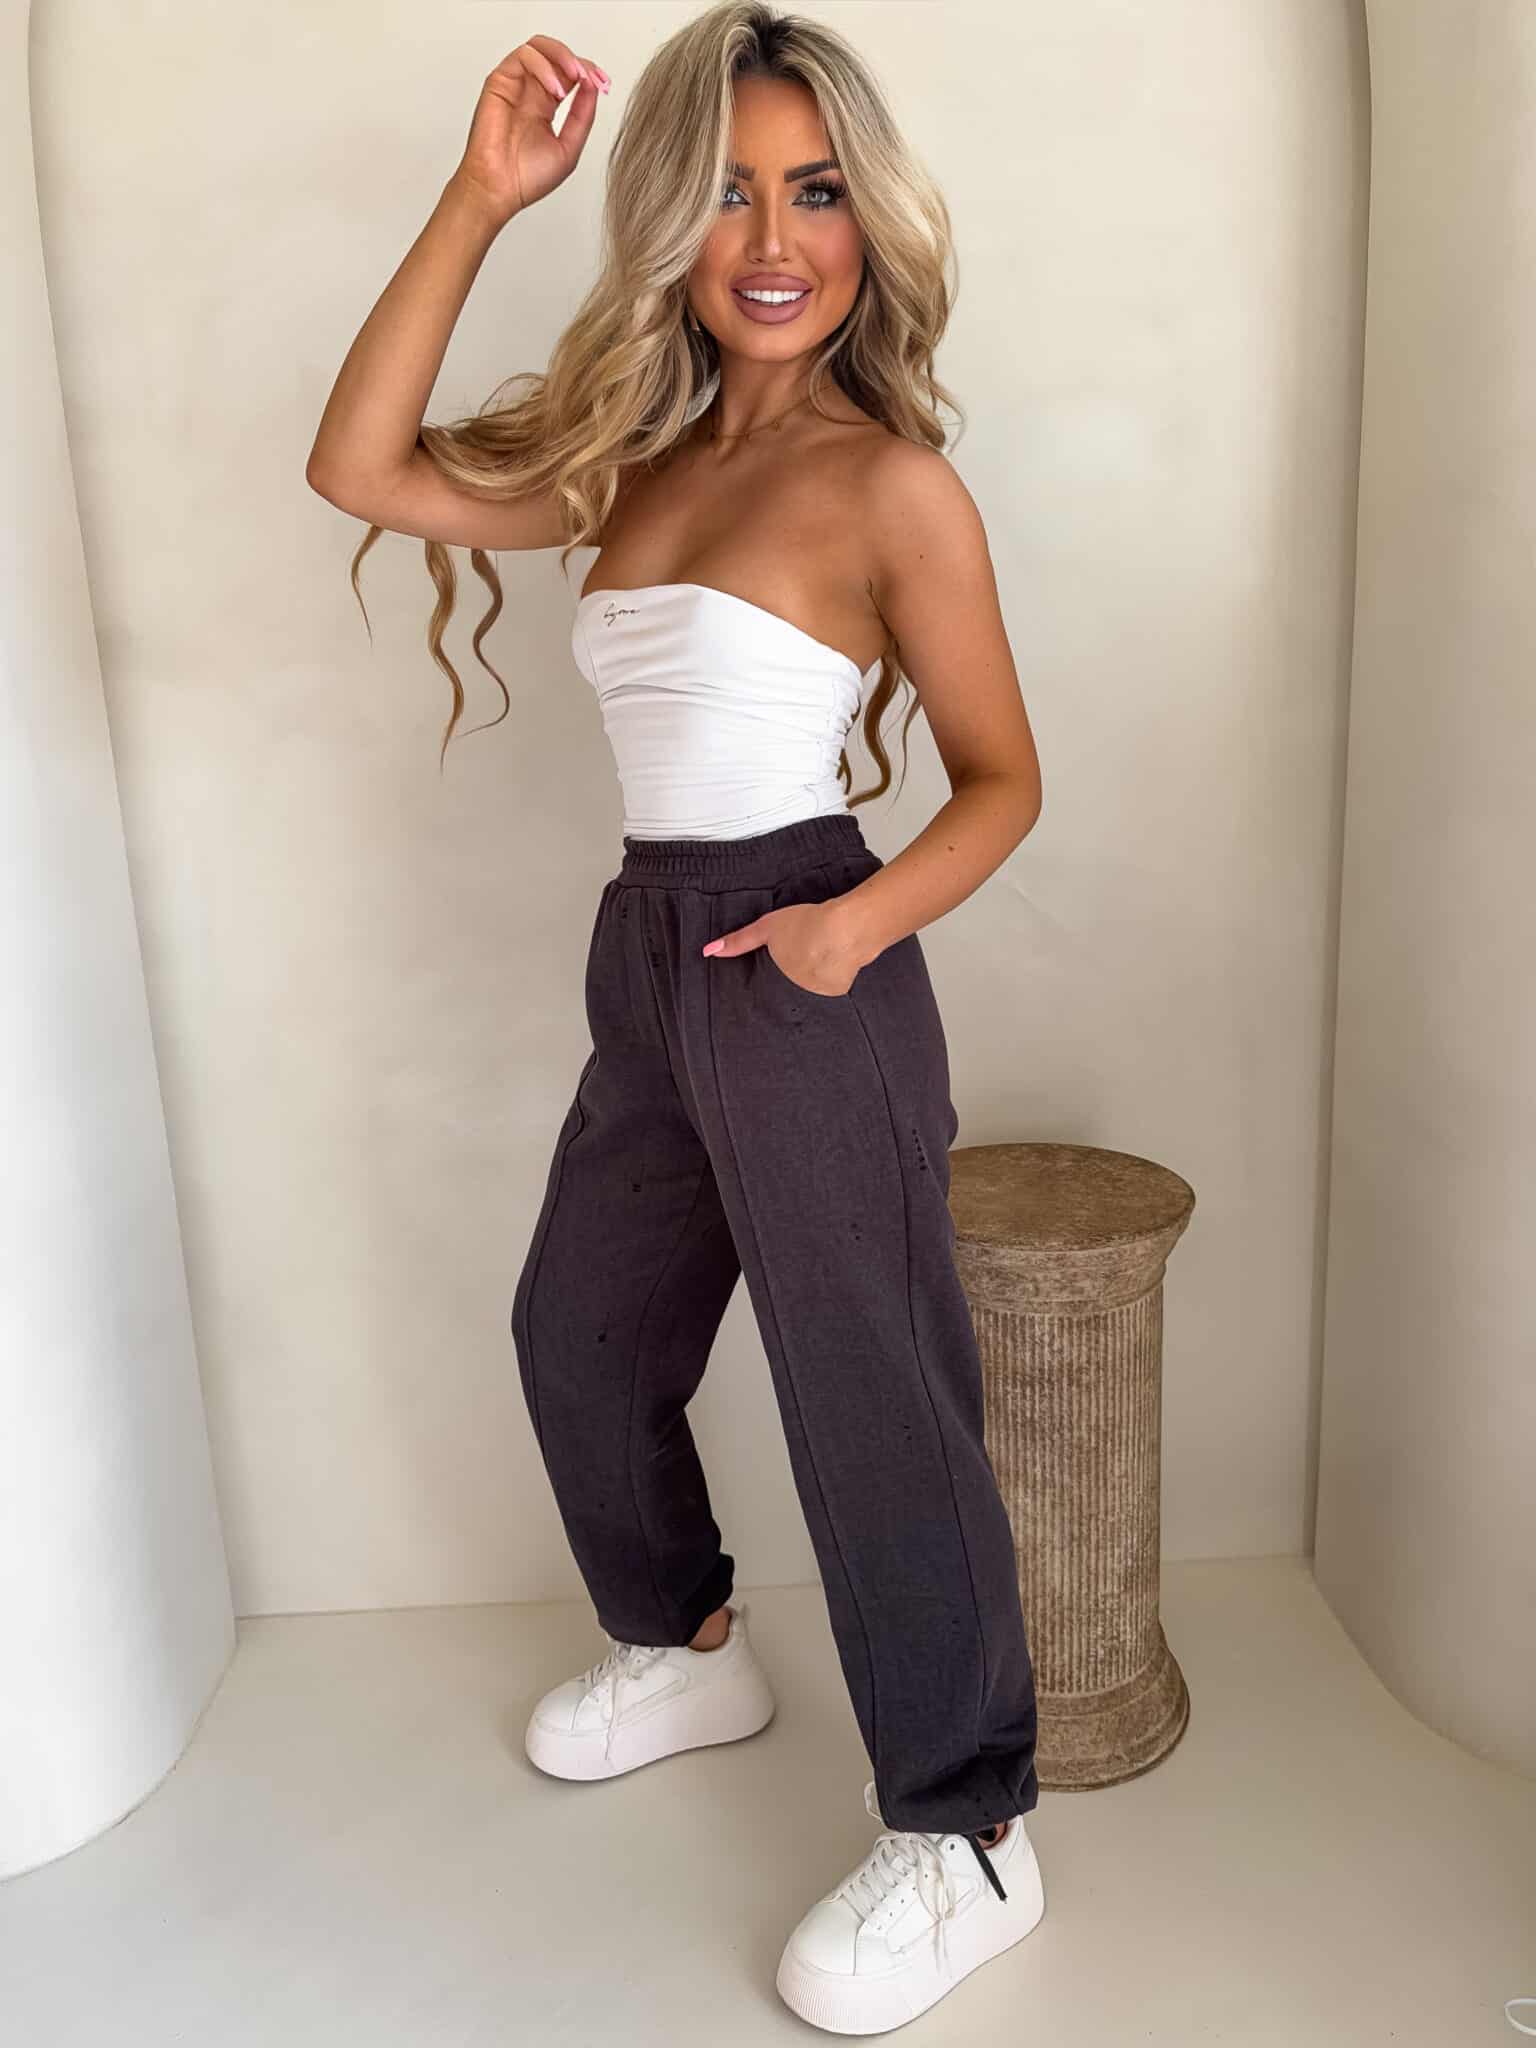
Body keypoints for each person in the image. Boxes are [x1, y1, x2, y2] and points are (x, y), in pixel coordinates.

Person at [307, 4, 1045, 2031]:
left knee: (870, 1399)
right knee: (581, 1329)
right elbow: (357, 463)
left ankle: (973, 1825)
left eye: (815, 190)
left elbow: (1002, 782)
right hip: (648, 952)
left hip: (808, 955)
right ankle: (691, 1644)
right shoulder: (626, 466)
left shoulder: (893, 489)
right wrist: (483, 195)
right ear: (666, 223)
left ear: (871, 221)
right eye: (726, 192)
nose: (773, 238)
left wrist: (847, 930)